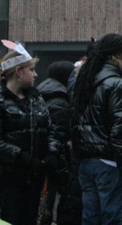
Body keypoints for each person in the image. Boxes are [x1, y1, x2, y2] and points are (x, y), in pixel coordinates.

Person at [71, 33, 122, 225]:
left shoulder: (85, 81)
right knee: (114, 219)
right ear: (116, 56)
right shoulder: (118, 84)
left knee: (90, 218)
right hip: (111, 164)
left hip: (87, 162)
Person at [0, 41, 61, 225]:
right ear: (18, 71)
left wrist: (52, 153)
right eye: (31, 70)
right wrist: (22, 158)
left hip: (35, 176)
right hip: (9, 177)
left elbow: (50, 130)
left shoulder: (36, 98)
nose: (35, 74)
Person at [37, 61, 75, 224]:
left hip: (39, 160)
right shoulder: (60, 101)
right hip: (51, 164)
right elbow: (57, 137)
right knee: (47, 205)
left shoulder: (41, 94)